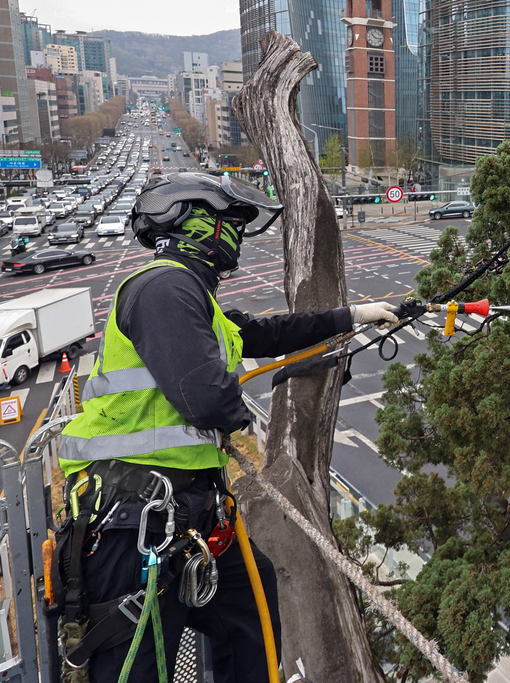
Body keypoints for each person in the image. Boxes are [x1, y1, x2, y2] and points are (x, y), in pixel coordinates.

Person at [55, 172, 399, 682]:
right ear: (199, 225)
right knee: (139, 663)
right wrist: (237, 413)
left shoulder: (191, 295)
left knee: (251, 624)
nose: (237, 235)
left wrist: (352, 315)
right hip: (136, 520)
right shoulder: (164, 288)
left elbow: (263, 331)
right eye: (231, 222)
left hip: (187, 511)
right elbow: (207, 397)